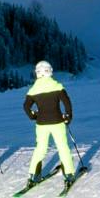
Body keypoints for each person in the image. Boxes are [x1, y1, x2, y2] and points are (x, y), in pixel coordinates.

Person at [21, 60, 78, 189]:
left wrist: (33, 116)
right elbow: (67, 102)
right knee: (63, 148)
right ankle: (68, 175)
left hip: (41, 124)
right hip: (57, 122)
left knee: (40, 149)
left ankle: (32, 175)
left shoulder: (33, 89)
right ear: (50, 71)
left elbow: (26, 106)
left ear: (37, 73)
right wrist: (68, 116)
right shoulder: (57, 86)